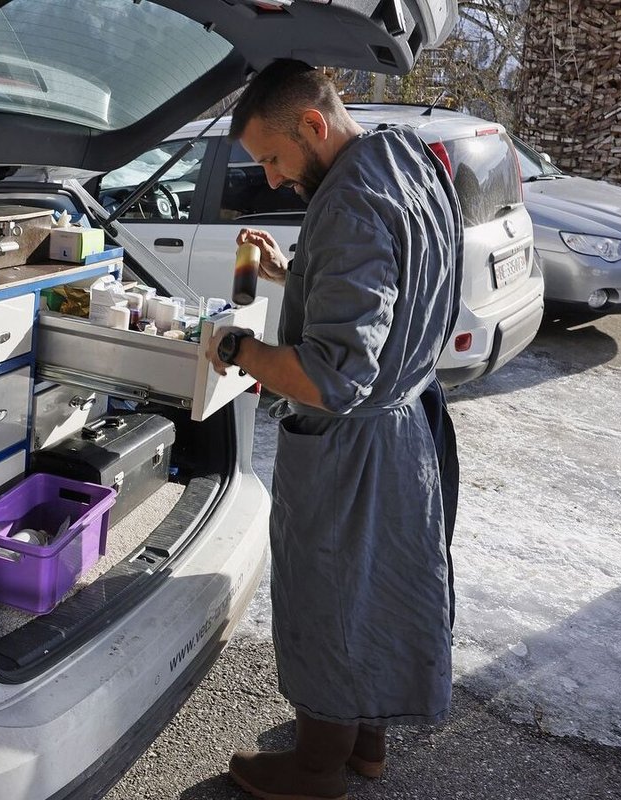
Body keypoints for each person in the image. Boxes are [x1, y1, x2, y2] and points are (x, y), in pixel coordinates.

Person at [205, 60, 461, 800]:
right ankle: (366, 740)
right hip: (405, 425)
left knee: (330, 594)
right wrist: (296, 271)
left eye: (273, 159)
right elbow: (390, 282)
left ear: (313, 124)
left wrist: (234, 348)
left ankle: (316, 766)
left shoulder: (348, 204)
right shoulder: (405, 157)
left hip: (355, 448)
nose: (276, 180)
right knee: (378, 591)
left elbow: (334, 377)